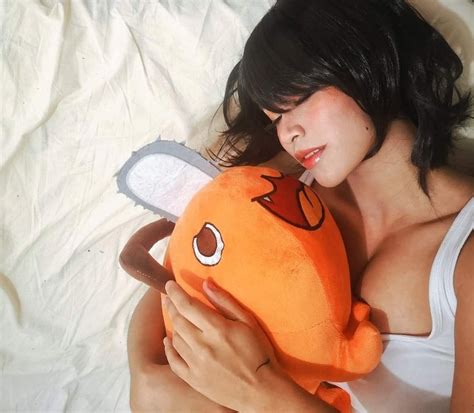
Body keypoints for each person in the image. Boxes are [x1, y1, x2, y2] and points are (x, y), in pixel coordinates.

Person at [126, 0, 474, 411]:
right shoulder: (281, 190)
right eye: (275, 118)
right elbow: (181, 284)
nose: (287, 133)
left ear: (367, 60)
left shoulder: (463, 254)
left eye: (302, 98)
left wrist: (261, 390)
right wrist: (143, 367)